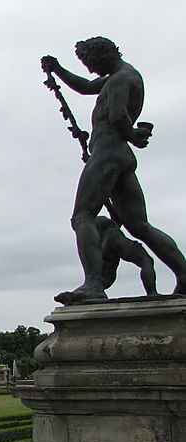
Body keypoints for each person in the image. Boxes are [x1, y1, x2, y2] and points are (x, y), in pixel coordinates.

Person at [42, 37, 186, 303]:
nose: (89, 69)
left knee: (82, 216)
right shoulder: (120, 76)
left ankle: (93, 285)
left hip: (108, 153)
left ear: (101, 56)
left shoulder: (120, 79)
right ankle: (184, 274)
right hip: (121, 156)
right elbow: (86, 87)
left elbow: (119, 117)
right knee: (139, 225)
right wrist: (58, 69)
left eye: (89, 62)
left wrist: (133, 134)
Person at [95, 215, 157, 295]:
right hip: (117, 240)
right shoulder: (108, 225)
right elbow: (117, 215)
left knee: (107, 276)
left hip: (105, 246)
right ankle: (152, 292)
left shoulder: (94, 225)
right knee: (146, 260)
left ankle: (96, 292)